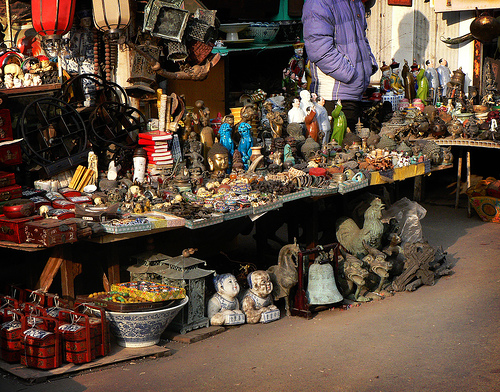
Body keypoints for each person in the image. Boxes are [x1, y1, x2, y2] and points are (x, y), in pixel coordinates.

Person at [302, 0, 378, 132]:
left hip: (353, 93)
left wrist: (369, 65)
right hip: (333, 96)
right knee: (335, 147)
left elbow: (362, 38)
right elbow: (320, 50)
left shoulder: (354, 2)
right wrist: (351, 75)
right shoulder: (319, 3)